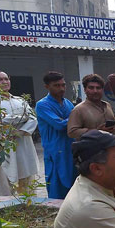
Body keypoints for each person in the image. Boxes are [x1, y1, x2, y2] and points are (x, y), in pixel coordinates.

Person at [0, 70, 39, 196]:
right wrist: (21, 117)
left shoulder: (20, 101)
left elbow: (33, 119)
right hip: (4, 149)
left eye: (6, 79)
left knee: (28, 183)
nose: (5, 82)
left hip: (24, 147)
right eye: (0, 79)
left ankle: (29, 208)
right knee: (5, 182)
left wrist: (20, 131)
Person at [35, 71, 75, 199]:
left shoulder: (68, 103)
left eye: (63, 85)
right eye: (57, 85)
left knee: (74, 182)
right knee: (56, 184)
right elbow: (59, 125)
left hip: (71, 148)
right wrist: (76, 119)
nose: (61, 88)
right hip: (55, 150)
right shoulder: (42, 105)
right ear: (47, 86)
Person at [67, 74, 115, 139]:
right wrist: (96, 132)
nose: (95, 91)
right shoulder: (78, 109)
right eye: (91, 88)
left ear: (102, 90)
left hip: (111, 146)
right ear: (85, 90)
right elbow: (71, 132)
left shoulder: (107, 105)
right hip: (91, 148)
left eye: (98, 88)